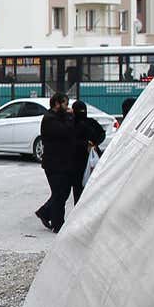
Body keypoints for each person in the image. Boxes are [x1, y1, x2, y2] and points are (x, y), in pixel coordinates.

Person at [34, 93, 81, 233]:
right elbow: (65, 131)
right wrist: (69, 116)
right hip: (53, 164)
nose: (67, 108)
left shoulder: (57, 117)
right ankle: (58, 223)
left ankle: (45, 213)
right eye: (65, 104)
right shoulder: (50, 120)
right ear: (56, 104)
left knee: (62, 192)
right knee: (59, 193)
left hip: (61, 162)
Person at [69, 99, 107, 205]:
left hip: (79, 162)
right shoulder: (89, 122)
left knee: (80, 190)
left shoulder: (72, 123)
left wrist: (92, 144)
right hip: (84, 161)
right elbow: (101, 134)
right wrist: (92, 144)